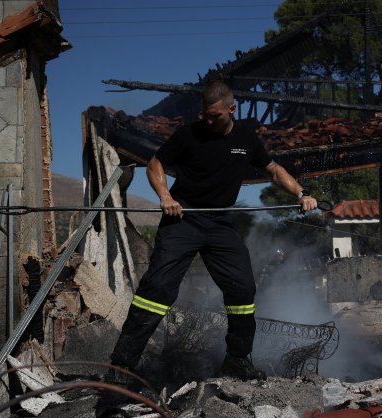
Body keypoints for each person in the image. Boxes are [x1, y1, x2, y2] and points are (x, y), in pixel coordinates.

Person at [108, 80, 317, 381]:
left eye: (214, 115)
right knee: (157, 289)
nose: (206, 120)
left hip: (219, 223)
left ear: (232, 109)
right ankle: (122, 366)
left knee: (243, 289)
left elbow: (272, 169)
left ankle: (236, 359)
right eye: (204, 114)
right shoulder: (188, 135)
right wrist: (166, 197)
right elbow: (155, 164)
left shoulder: (246, 139)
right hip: (184, 219)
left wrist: (302, 194)